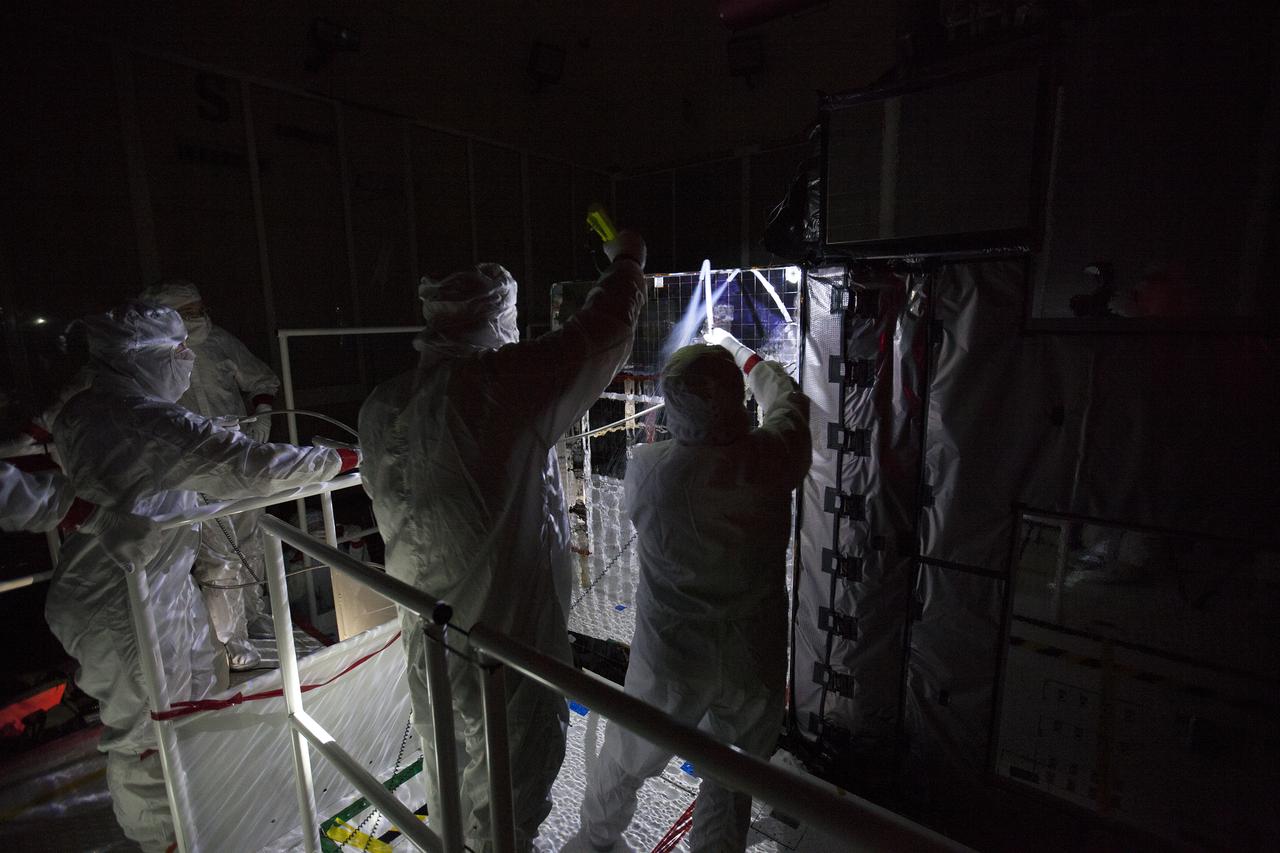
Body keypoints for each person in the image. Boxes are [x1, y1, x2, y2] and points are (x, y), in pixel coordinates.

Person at [359, 231, 648, 851]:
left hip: (426, 632)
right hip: (506, 640)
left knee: (448, 774)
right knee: (513, 787)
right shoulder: (498, 385)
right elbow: (597, 336)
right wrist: (627, 262)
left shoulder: (382, 405)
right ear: (499, 319)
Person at [45, 302, 358, 852]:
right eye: (176, 351)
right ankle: (166, 839)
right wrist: (342, 460)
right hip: (123, 595)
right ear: (138, 359)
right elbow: (251, 468)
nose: (188, 359)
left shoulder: (92, 406)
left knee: (191, 702)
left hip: (157, 581)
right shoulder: (144, 419)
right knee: (148, 730)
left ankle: (201, 815)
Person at [574, 329, 811, 853]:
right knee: (731, 779)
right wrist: (742, 355)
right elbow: (790, 400)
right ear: (734, 397)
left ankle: (594, 843)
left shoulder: (649, 469)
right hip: (754, 656)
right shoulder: (775, 458)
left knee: (624, 759)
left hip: (672, 656)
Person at [139, 279, 281, 670]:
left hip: (239, 454)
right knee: (220, 554)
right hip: (192, 465)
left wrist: (263, 412)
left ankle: (253, 616)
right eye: (188, 313)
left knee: (252, 537)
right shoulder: (152, 357)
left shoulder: (220, 341)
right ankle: (231, 639)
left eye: (200, 308)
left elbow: (262, 379)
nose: (199, 317)